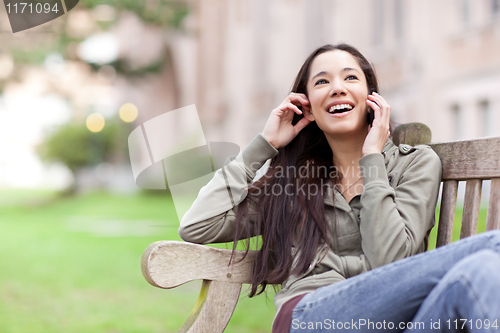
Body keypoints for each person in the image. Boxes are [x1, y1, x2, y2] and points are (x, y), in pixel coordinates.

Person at [178, 43, 500, 333]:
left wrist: (372, 158)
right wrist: (263, 147)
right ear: (308, 108)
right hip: (314, 316)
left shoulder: (415, 164)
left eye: (350, 78)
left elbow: (391, 262)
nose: (336, 89)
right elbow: (198, 225)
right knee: (494, 246)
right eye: (321, 82)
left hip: (396, 320)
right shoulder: (291, 181)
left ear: (372, 98)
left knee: (481, 271)